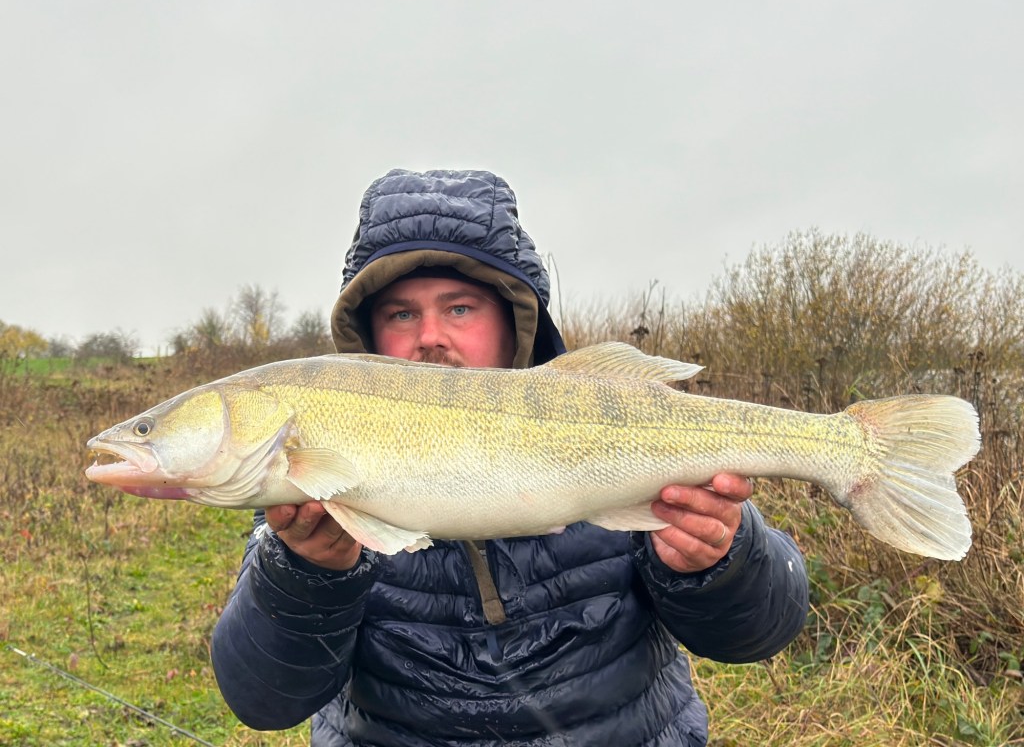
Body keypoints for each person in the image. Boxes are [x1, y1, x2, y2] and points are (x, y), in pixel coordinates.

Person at [211, 169, 809, 746]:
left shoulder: (604, 419)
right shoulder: (313, 482)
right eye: (401, 314)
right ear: (367, 335)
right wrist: (309, 576)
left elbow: (757, 634)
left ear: (514, 321)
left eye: (460, 308)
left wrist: (719, 560)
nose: (430, 336)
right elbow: (263, 700)